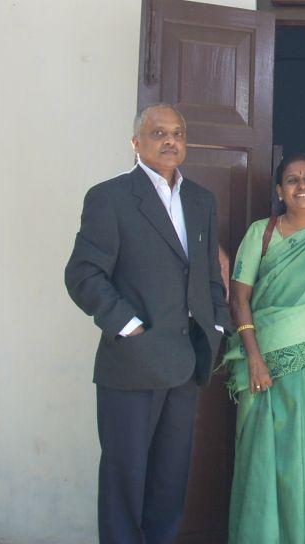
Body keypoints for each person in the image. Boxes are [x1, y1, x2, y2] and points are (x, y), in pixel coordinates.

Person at [65, 103, 231, 544]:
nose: (170, 140)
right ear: (136, 142)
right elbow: (82, 274)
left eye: (177, 133)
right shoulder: (111, 197)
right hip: (131, 365)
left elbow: (210, 275)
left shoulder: (201, 200)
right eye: (158, 133)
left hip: (184, 363)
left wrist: (216, 328)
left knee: (168, 481)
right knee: (124, 481)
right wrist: (129, 325)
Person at [221, 153, 305, 544]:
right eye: (292, 180)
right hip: (262, 364)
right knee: (263, 458)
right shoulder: (260, 233)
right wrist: (254, 357)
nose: (302, 186)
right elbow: (239, 299)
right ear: (279, 191)